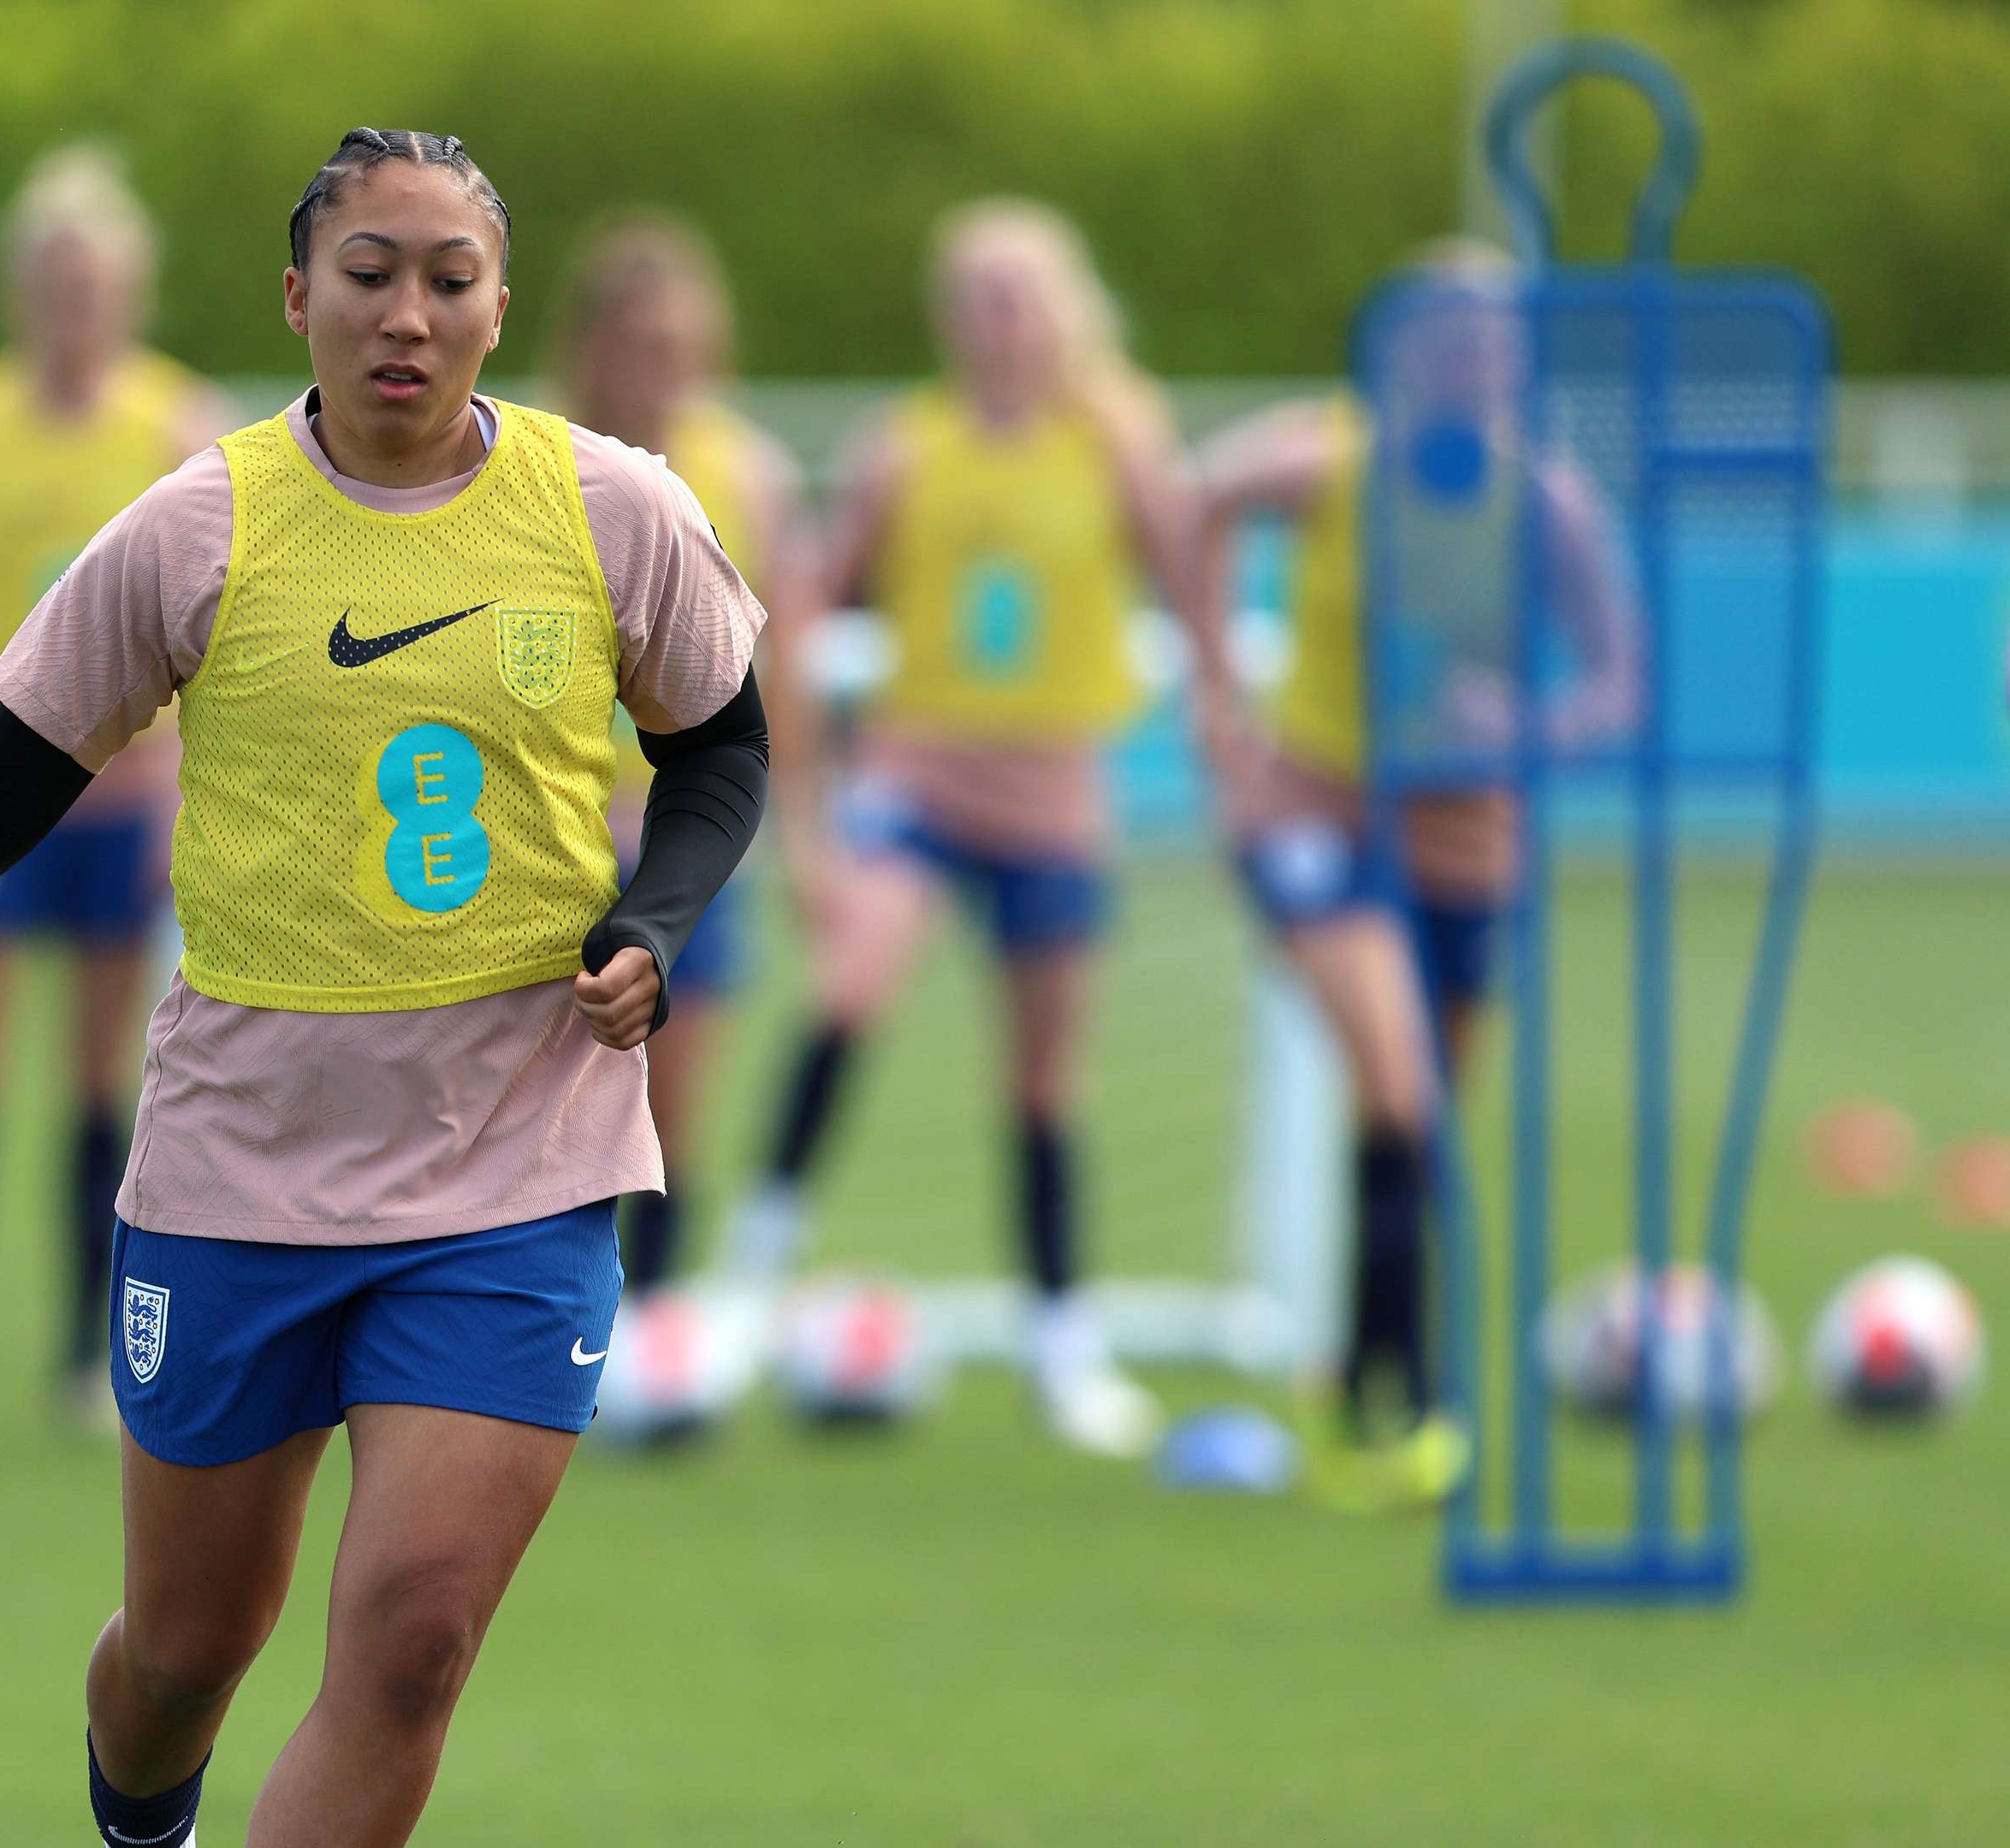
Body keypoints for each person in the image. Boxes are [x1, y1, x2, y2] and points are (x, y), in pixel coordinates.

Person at [0, 129, 767, 1847]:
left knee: (411, 1644)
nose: (406, 312)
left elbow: (721, 753)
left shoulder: (614, 508)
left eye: (447, 279)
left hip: (518, 1164)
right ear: (299, 298)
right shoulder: (202, 522)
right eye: (369, 275)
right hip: (242, 1174)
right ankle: (137, 1813)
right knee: (183, 1654)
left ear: (496, 306)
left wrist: (655, 925)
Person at [726, 198, 1200, 1459]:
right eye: (976, 297)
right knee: (852, 985)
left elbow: (1191, 575)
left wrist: (1229, 724)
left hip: (1054, 799)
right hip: (920, 781)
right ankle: (746, 1282)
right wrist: (809, 814)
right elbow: (816, 607)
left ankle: (1064, 1344)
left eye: (1019, 295)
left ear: (1063, 307)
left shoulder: (1117, 439)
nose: (998, 321)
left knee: (1047, 1077)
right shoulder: (907, 445)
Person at [1186, 239, 1633, 1506]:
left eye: (1493, 335)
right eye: (1445, 331)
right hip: (1321, 812)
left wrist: (1530, 726)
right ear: (1402, 347)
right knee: (1394, 1084)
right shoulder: (1332, 457)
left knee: (1424, 1114)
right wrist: (1220, 695)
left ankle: (1349, 1379)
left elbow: (1617, 680)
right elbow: (1193, 502)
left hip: (1468, 835)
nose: (1468, 356)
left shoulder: (1543, 501)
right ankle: (1408, 1406)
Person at [0, 145, 240, 1454]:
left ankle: (86, 1355)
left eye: (92, 278)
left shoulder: (177, 426)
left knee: (107, 1082)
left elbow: (221, 637)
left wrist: (192, 799)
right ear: (19, 287)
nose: (72, 300)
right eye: (51, 276)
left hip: (124, 797)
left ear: (129, 288)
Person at [552, 211, 811, 1295]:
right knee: (542, 1110)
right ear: (589, 347)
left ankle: (648, 1336)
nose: (662, 371)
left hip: (687, 839)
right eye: (639, 346)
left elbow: (783, 669)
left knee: (671, 1107)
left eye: (682, 348)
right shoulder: (538, 461)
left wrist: (802, 830)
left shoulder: (746, 476)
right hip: (554, 834)